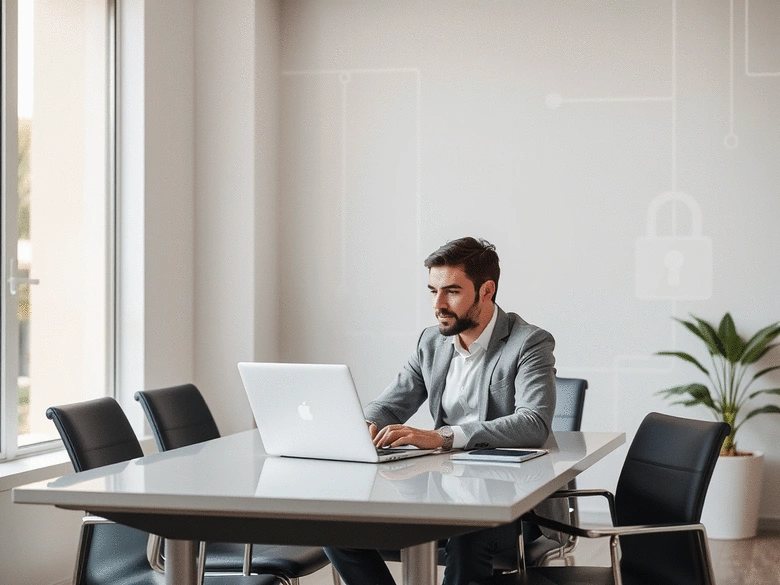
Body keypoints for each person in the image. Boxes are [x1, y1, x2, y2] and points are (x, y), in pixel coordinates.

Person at [324, 236, 558, 585]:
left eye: (451, 291)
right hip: (438, 492)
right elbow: (391, 403)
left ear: (486, 290)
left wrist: (441, 437)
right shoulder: (431, 341)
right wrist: (364, 427)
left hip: (511, 503)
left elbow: (533, 423)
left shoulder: (529, 342)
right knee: (336, 528)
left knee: (468, 537)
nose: (438, 304)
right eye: (432, 290)